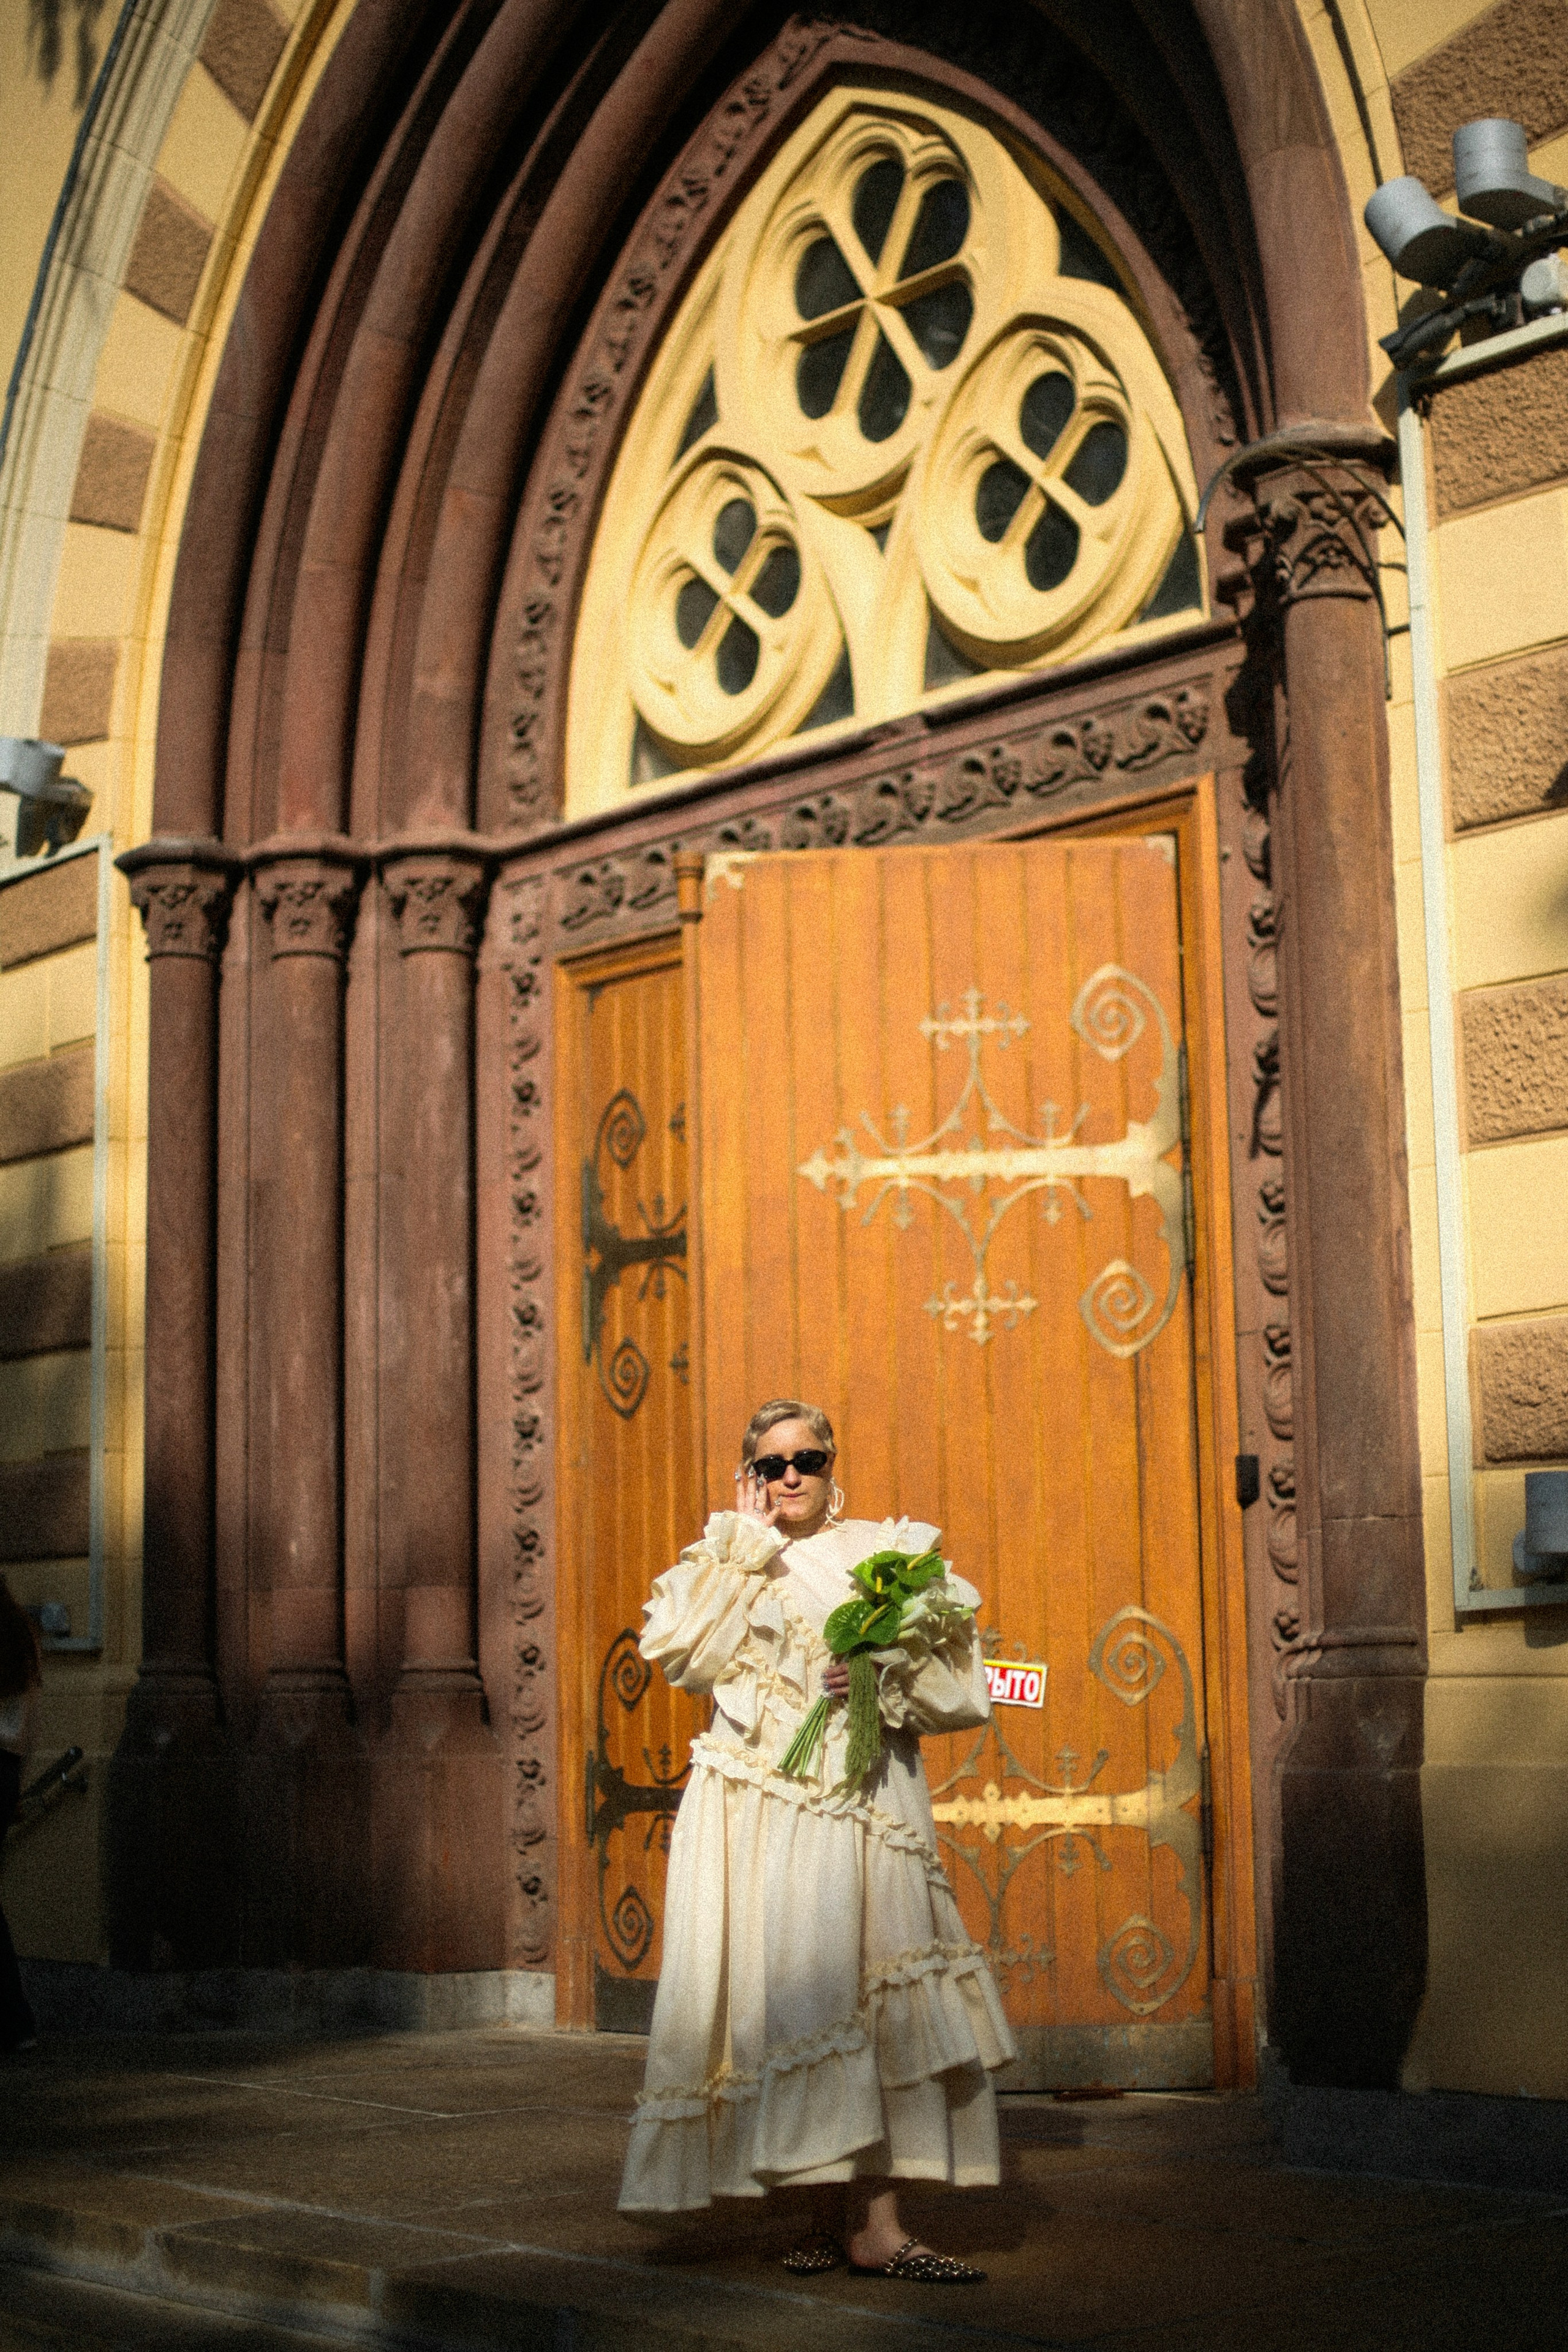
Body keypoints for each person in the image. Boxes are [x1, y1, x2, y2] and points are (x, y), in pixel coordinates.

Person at [618, 1398, 1016, 2282]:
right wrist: (744, 1547)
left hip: (862, 1798)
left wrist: (879, 1671)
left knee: (870, 1994)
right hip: (760, 1805)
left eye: (807, 1460)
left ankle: (880, 2226)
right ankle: (819, 2214)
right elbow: (686, 1657)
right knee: (791, 2000)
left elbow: (967, 1686)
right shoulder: (726, 1558)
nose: (790, 1476)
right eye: (771, 1465)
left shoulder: (885, 1554)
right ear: (749, 1477)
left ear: (833, 1468)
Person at [0, 1574, 41, 2056]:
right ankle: (16, 2023)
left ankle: (16, 2022)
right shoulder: (22, 1634)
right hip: (6, 1769)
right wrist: (17, 1785)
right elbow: (30, 1724)